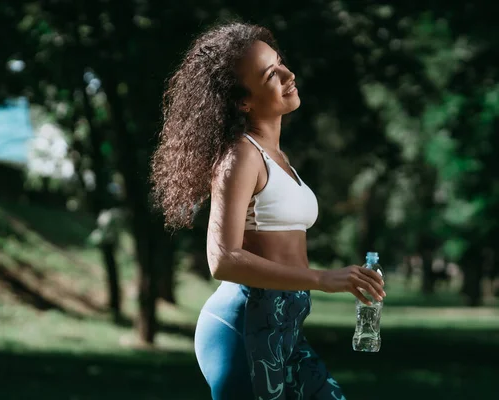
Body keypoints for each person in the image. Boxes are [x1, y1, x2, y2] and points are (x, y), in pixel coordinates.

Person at [150, 21, 386, 400]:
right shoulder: (241, 155)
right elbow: (222, 259)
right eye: (270, 74)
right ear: (243, 100)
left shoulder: (277, 157)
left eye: (281, 64)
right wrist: (322, 279)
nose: (289, 75)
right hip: (242, 328)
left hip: (284, 331)